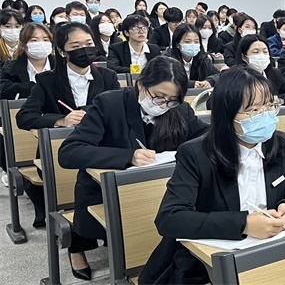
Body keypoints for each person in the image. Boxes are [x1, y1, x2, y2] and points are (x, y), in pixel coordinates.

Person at [139, 66, 285, 284]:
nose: (264, 115)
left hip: (269, 252)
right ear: (227, 114)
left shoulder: (280, 143)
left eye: (269, 106)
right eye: (253, 110)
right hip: (206, 264)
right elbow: (169, 218)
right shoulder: (196, 154)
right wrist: (244, 224)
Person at [58, 55, 208, 280]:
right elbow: (69, 152)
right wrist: (128, 156)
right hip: (104, 191)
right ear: (141, 85)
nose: (163, 105)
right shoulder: (109, 104)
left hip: (157, 190)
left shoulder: (179, 110)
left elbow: (205, 135)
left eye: (171, 100)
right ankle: (77, 248)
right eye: (158, 96)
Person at [16, 22, 120, 230]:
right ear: (63, 51)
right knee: (86, 184)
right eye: (76, 46)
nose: (84, 50)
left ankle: (94, 231)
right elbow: (24, 117)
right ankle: (81, 236)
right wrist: (60, 121)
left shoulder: (108, 77)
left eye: (89, 44)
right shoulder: (47, 80)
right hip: (60, 153)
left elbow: (119, 113)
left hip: (98, 150)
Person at [233, 35, 285, 105]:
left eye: (265, 52)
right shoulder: (235, 78)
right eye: (256, 52)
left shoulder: (274, 73)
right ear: (244, 57)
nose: (261, 55)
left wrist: (277, 99)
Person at [0, 23, 56, 99]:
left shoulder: (63, 65)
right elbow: (3, 89)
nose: (41, 43)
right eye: (34, 40)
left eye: (45, 40)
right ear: (23, 46)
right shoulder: (10, 69)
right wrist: (29, 88)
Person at [164, 24, 220, 88]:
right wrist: (191, 84)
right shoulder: (167, 59)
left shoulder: (203, 58)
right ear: (177, 44)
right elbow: (167, 79)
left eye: (196, 42)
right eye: (188, 42)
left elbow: (218, 74)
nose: (193, 45)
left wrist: (210, 81)